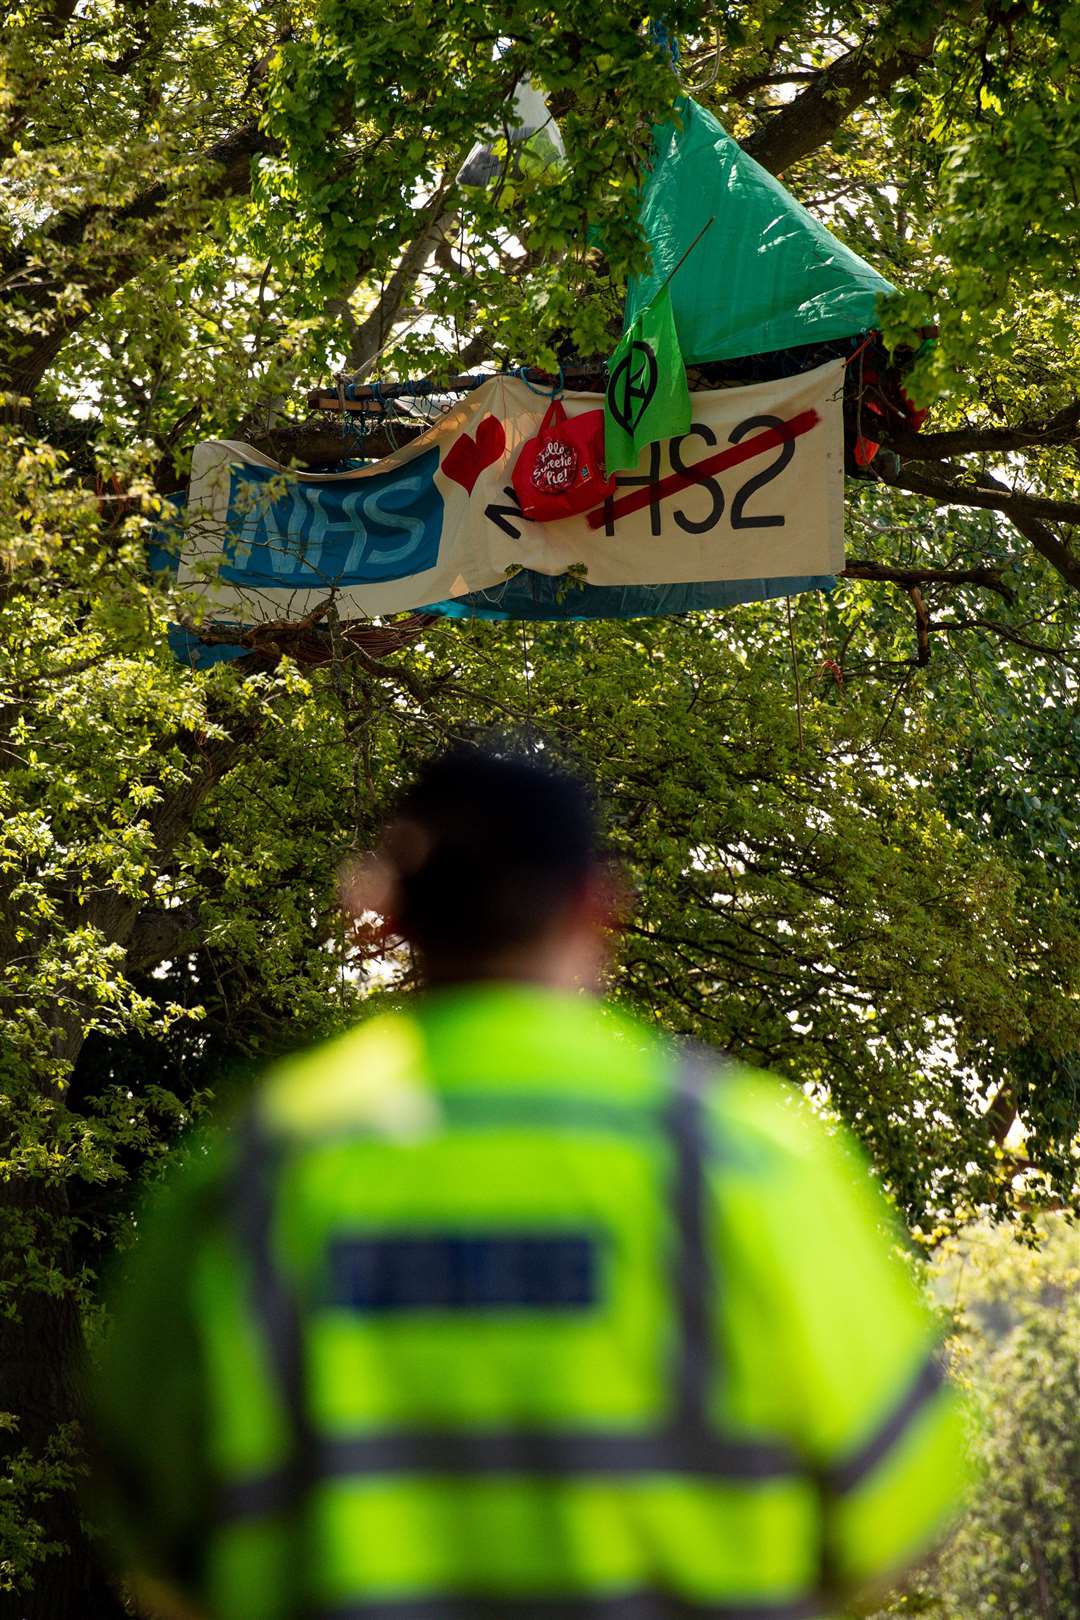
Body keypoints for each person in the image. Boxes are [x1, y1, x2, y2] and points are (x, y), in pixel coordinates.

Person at [94, 744, 971, 1620]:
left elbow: (148, 1524)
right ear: (599, 908)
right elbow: (903, 1508)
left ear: (386, 913)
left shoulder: (253, 1172)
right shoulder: (746, 1159)